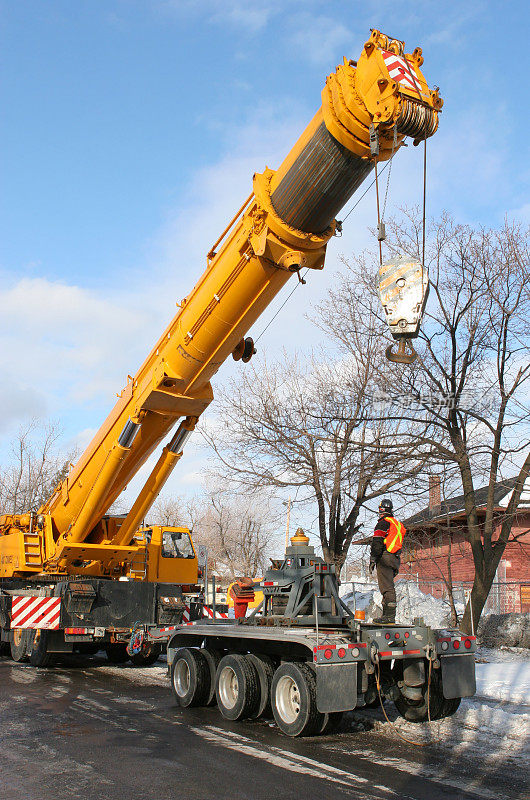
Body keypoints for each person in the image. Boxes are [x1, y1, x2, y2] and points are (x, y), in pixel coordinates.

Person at [369, 499, 406, 624]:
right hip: (395, 558)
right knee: (389, 586)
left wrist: (373, 559)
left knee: (387, 588)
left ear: (381, 510)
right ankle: (387, 616)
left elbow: (377, 542)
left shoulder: (383, 523)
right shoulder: (397, 524)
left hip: (385, 557)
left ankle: (389, 617)